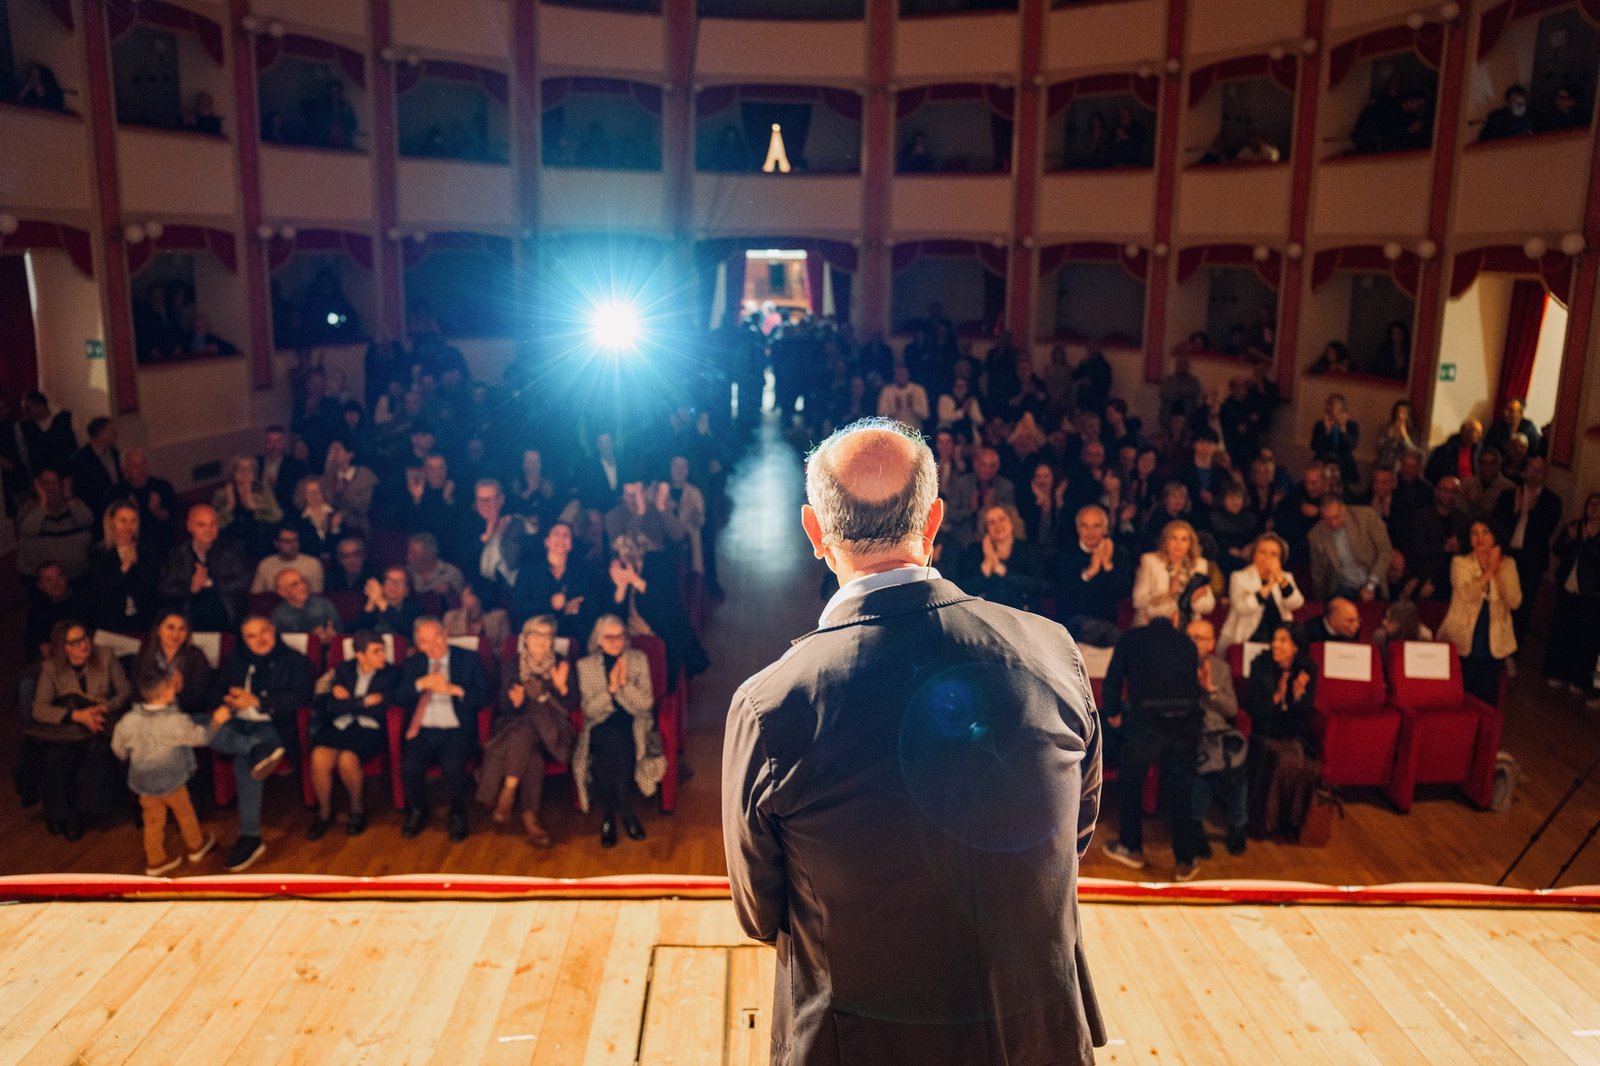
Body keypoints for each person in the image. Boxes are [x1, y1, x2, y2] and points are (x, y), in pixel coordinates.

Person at [722, 418, 1104, 1063]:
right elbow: (1072, 834)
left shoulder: (773, 705)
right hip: (1034, 1041)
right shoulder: (1052, 649)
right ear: (932, 522)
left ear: (816, 533)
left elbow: (761, 910)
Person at [1101, 596, 1205, 879]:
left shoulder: (1131, 639)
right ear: (1174, 617)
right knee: (1180, 790)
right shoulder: (1187, 644)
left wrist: (1112, 713)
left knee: (1131, 782)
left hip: (1144, 722)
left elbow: (1112, 682)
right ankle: (1185, 861)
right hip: (1184, 723)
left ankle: (1131, 847)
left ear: (1147, 617)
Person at [206, 615, 314, 870]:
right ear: (244, 640)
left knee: (244, 766)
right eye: (251, 636)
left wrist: (257, 702)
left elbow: (302, 696)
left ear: (273, 630)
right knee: (202, 727)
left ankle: (250, 837)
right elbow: (213, 691)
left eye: (263, 631)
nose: (260, 639)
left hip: (271, 728)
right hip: (237, 726)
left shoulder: (295, 661)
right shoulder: (236, 660)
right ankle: (254, 749)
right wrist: (225, 703)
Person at [110, 667, 225, 874]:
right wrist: (216, 721)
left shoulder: (128, 721)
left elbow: (118, 749)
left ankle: (156, 860)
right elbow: (201, 737)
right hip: (172, 781)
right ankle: (196, 846)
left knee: (153, 821)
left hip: (143, 782)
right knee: (185, 813)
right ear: (165, 694)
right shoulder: (175, 721)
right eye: (172, 688)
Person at [28, 620, 133, 840]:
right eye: (74, 642)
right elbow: (40, 708)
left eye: (84, 639)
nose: (83, 645)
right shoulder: (51, 667)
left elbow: (124, 692)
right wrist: (76, 715)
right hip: (70, 724)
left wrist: (103, 707)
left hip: (100, 721)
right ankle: (61, 814)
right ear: (63, 647)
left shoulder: (105, 656)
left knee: (98, 751)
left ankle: (82, 809)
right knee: (55, 756)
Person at [478, 616, 577, 846]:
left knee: (528, 726)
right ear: (526, 639)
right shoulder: (513, 664)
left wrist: (561, 687)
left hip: (551, 731)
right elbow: (504, 706)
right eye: (537, 635)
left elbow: (573, 704)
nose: (543, 642)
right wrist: (517, 701)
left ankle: (508, 790)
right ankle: (530, 819)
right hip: (516, 727)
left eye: (548, 636)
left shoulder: (561, 663)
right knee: (532, 758)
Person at [399, 617, 489, 843]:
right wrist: (421, 684)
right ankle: (419, 810)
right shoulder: (414, 663)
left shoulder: (468, 659)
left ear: (446, 634)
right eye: (427, 642)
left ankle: (458, 813)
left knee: (454, 767)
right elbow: (397, 696)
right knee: (409, 767)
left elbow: (485, 696)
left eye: (438, 637)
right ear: (419, 645)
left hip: (455, 729)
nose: (436, 645)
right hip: (423, 729)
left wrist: (454, 689)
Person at [306, 629, 400, 839]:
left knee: (347, 759)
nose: (383, 656)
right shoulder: (344, 669)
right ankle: (324, 812)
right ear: (360, 655)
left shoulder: (392, 674)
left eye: (383, 650)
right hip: (340, 725)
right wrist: (363, 701)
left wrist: (348, 703)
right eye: (376, 652)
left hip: (370, 728)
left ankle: (357, 809)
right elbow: (331, 706)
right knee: (319, 756)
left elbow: (380, 709)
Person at [574, 615, 657, 847]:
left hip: (634, 722)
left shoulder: (638, 659)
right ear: (598, 640)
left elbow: (646, 703)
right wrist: (610, 689)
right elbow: (589, 710)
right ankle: (627, 813)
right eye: (609, 637)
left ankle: (608, 816)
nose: (616, 642)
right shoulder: (585, 665)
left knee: (612, 753)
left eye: (620, 636)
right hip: (600, 725)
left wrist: (623, 685)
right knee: (613, 744)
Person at [1245, 624, 1320, 837]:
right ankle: (1267, 823)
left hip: (1294, 728)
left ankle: (1293, 822)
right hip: (1266, 727)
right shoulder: (1260, 665)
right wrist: (1277, 697)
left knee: (1305, 763)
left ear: (1296, 647)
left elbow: (1306, 711)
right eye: (1275, 639)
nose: (1275, 645)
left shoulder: (1307, 668)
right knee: (1283, 760)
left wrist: (1297, 698)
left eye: (1282, 640)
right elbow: (1254, 707)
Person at [1438, 520, 1522, 706]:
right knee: (1461, 692)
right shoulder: (1460, 562)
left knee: (1486, 695)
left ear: (1495, 537)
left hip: (1494, 636)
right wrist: (1489, 570)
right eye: (1474, 533)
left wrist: (1498, 572)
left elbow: (1515, 601)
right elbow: (1467, 594)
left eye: (1485, 532)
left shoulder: (1508, 564)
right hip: (1463, 635)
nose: (1479, 538)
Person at [1188, 615, 1248, 857]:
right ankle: (1196, 825)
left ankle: (1237, 824)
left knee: (1237, 765)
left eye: (1198, 638)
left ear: (1211, 643)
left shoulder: (1221, 669)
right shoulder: (1177, 665)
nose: (1192, 642)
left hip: (1220, 731)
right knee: (1208, 767)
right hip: (1192, 730)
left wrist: (1211, 690)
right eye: (1189, 637)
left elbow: (1232, 709)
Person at [158, 504, 251, 633]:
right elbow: (165, 589)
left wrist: (210, 583)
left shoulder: (233, 550)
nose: (208, 530)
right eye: (201, 525)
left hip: (227, 617)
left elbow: (243, 583)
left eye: (213, 524)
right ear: (189, 526)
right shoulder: (175, 555)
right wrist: (191, 587)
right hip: (187, 619)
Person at [1544, 493, 1600, 698]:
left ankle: (1579, 679)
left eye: (1598, 505)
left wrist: (1585, 542)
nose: (1594, 508)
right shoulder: (1575, 525)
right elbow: (1558, 549)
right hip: (1568, 586)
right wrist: (1569, 537)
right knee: (1562, 632)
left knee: (1584, 638)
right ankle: (1557, 672)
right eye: (1591, 504)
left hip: (1591, 593)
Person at [1219, 533, 1305, 651]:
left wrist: (1281, 580)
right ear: (1254, 554)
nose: (1267, 558)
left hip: (1279, 639)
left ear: (1280, 558)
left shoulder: (1286, 577)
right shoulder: (1239, 577)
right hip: (1246, 637)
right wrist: (1269, 586)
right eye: (1262, 552)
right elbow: (1242, 608)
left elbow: (1296, 603)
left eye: (1273, 554)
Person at [89, 499, 159, 633]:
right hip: (112, 621)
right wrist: (124, 567)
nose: (129, 526)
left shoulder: (147, 547)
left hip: (144, 619)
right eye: (123, 521)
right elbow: (100, 590)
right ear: (111, 521)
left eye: (133, 520)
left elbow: (154, 585)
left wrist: (136, 565)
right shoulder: (99, 552)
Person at [1306, 496, 1393, 602]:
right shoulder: (1315, 535)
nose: (1333, 523)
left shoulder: (1366, 517)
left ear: (1344, 510)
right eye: (1328, 520)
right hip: (1342, 587)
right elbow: (1318, 573)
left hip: (1374, 580)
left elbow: (1385, 552)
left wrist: (1371, 585)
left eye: (1337, 517)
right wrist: (1319, 601)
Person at [955, 505, 1041, 612]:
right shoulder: (974, 550)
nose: (998, 525)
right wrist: (985, 566)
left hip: (1023, 613)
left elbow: (1040, 585)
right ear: (986, 528)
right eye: (992, 522)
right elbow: (962, 587)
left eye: (1002, 519)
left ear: (1012, 522)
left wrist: (1004, 573)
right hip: (985, 613)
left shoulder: (1027, 549)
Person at [1132, 519, 1215, 626]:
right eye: (1173, 538)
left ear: (1190, 543)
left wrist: (1192, 600)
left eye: (1184, 539)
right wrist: (1168, 594)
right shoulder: (1150, 561)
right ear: (1165, 541)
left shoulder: (1199, 564)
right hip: (1153, 624)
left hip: (1188, 625)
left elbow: (1209, 606)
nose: (1178, 544)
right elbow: (1138, 601)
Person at [18, 467, 96, 582]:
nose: (51, 487)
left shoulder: (76, 505)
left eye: (55, 482)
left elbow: (86, 522)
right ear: (38, 485)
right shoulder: (28, 508)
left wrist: (69, 498)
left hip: (78, 577)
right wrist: (43, 503)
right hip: (40, 581)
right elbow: (28, 530)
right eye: (46, 483)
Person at [134, 611, 215, 719]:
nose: (176, 634)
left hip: (185, 716)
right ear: (158, 630)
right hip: (149, 714)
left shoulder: (196, 656)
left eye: (182, 629)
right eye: (170, 627)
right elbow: (136, 692)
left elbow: (200, 702)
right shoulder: (145, 654)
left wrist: (179, 692)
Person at [68, 416, 121, 519]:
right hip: (95, 513)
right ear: (100, 433)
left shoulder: (114, 453)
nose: (115, 433)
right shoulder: (80, 459)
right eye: (111, 430)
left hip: (116, 509)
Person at [268, 568, 342, 641]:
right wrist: (310, 638)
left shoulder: (324, 605)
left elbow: (341, 632)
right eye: (294, 585)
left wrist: (332, 634)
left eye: (303, 582)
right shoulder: (278, 615)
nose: (303, 587)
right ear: (282, 592)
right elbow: (276, 642)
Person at [251, 524, 325, 595]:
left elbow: (317, 596)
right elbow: (256, 595)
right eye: (288, 542)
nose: (294, 545)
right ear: (276, 543)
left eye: (296, 540)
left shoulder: (312, 564)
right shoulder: (266, 564)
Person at [443, 574, 512, 648]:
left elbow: (506, 650)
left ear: (480, 597)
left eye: (469, 594)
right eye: (464, 592)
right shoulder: (451, 617)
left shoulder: (499, 617)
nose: (463, 596)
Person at [1309, 393, 1360, 488]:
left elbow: (1352, 445)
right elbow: (1314, 446)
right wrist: (1327, 431)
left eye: (1333, 407)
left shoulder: (1352, 426)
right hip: (1323, 464)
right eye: (1328, 407)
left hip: (1344, 466)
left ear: (1342, 411)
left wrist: (1343, 429)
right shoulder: (1320, 425)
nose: (1329, 411)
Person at [356, 565, 422, 636]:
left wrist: (381, 602)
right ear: (382, 585)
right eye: (389, 581)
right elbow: (355, 632)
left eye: (399, 582)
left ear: (407, 589)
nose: (393, 585)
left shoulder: (414, 607)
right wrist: (370, 605)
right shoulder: (368, 604)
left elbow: (407, 630)